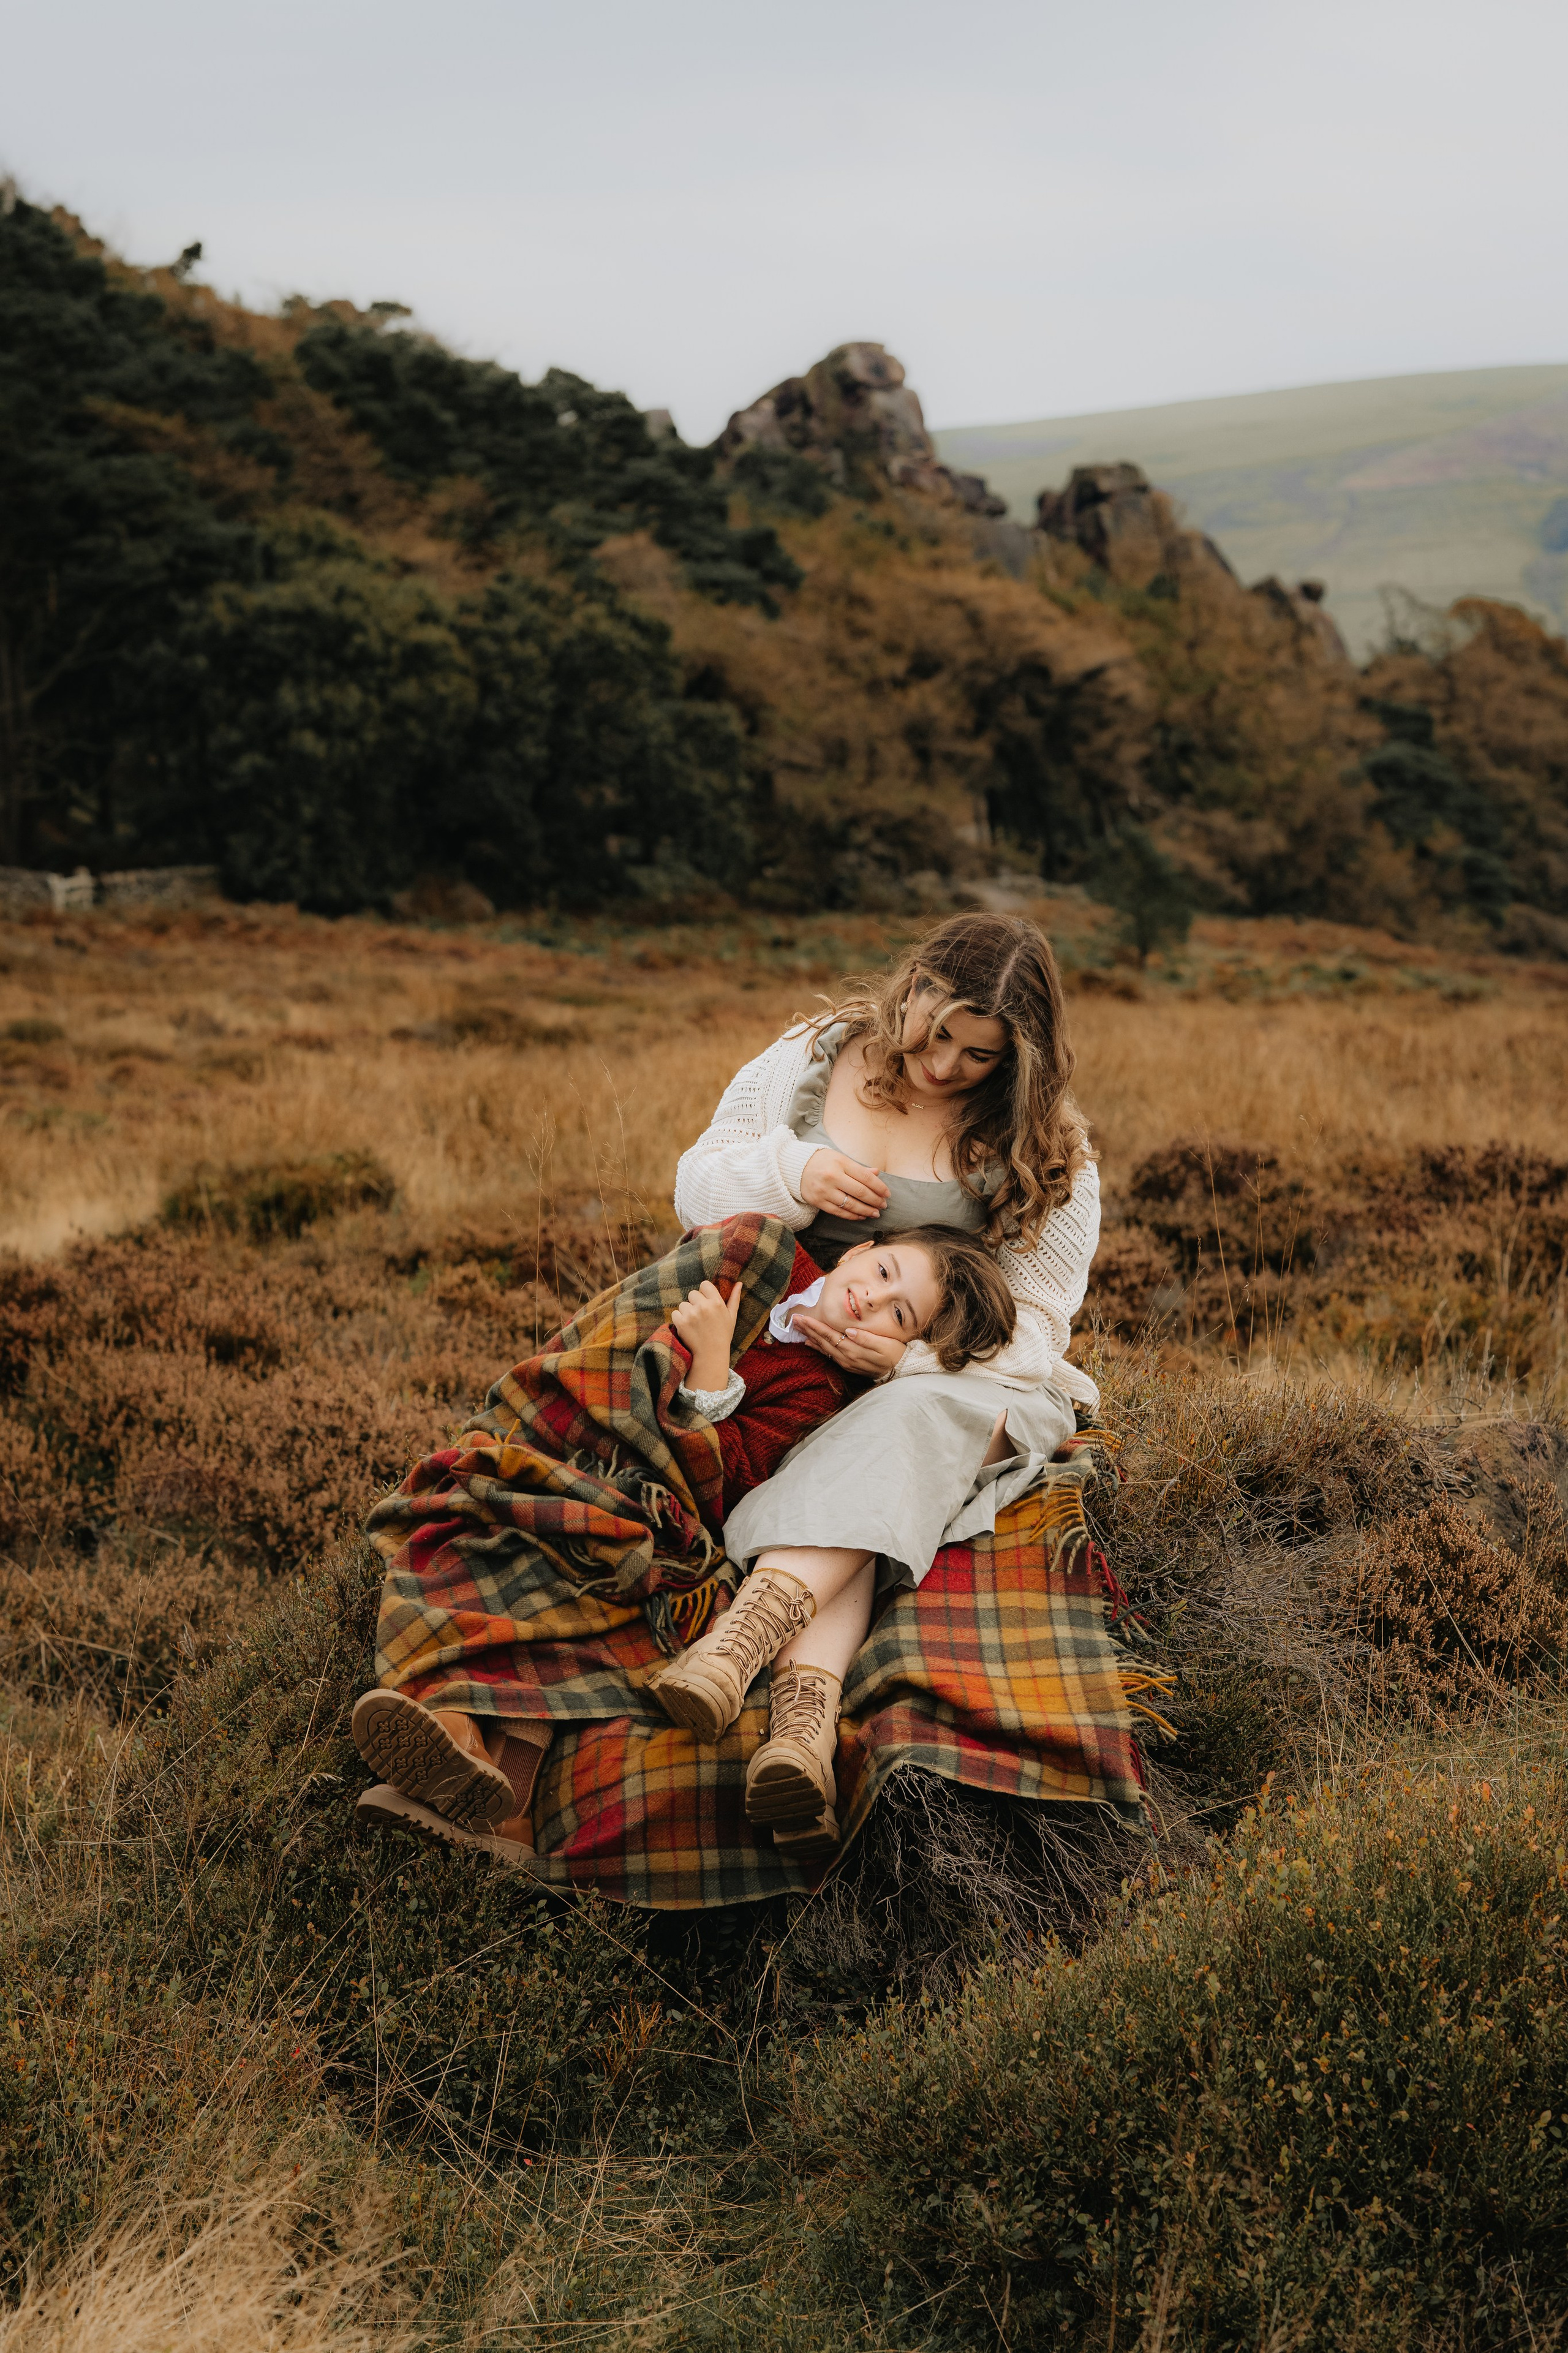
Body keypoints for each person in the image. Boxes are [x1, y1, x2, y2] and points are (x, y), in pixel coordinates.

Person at [350, 1218, 1011, 1864]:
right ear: (861, 1249)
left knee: (596, 1560)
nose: (872, 1298)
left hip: (650, 1499)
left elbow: (732, 1483)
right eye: (883, 1271)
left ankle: (498, 1791)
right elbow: (626, 1329)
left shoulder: (823, 1392)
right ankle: (466, 1750)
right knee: (490, 1518)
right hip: (576, 1441)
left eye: (898, 1317)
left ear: (902, 1350)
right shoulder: (760, 1254)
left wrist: (712, 1373)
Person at [662, 911, 1101, 1854]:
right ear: (912, 986)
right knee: (881, 1455)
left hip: (944, 1372)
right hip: (789, 1344)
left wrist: (910, 1359)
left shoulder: (1044, 1140)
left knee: (909, 1418)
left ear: (1018, 1062)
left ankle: (750, 1665)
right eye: (935, 1030)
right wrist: (795, 1170)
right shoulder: (815, 1055)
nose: (943, 1066)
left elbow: (1038, 1325)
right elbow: (695, 1186)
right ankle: (801, 1732)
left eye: (978, 1057)